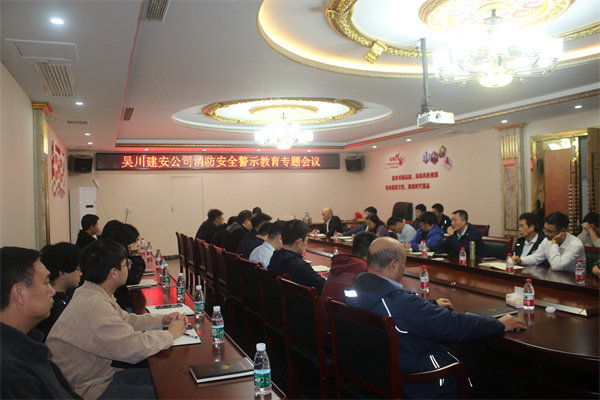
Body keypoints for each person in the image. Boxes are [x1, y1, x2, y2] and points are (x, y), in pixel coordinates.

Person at [345, 237, 526, 399]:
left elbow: (405, 310)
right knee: (473, 346)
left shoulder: (359, 289)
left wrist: (430, 305)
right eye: (403, 264)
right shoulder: (399, 301)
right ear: (393, 265)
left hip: (376, 372)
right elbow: (453, 325)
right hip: (416, 384)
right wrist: (498, 324)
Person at [46, 240, 187, 400]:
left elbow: (124, 320)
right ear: (113, 272)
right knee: (171, 393)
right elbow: (134, 348)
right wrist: (171, 334)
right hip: (87, 390)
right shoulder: (94, 305)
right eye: (126, 264)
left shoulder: (90, 291)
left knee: (167, 378)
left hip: (100, 376)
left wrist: (162, 320)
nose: (129, 267)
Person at [0, 246, 80, 399]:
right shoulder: (10, 374)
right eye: (46, 283)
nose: (52, 291)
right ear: (19, 293)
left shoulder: (29, 343)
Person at [37, 242, 82, 340]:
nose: (80, 274)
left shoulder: (70, 295)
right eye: (77, 269)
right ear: (62, 273)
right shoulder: (54, 306)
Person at [513, 211, 586, 271]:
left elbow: (557, 266)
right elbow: (536, 258)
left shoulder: (576, 244)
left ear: (562, 231)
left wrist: (554, 243)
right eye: (545, 229)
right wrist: (521, 260)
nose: (545, 234)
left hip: (573, 279)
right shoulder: (547, 240)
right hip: (554, 277)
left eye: (549, 231)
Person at [268, 219, 326, 293]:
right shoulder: (299, 265)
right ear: (299, 242)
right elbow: (324, 286)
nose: (306, 244)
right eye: (306, 240)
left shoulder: (275, 256)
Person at [320, 231, 376, 305]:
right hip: (342, 311)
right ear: (372, 251)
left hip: (324, 310)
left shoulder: (340, 262)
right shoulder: (365, 269)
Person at [112, 223, 146, 311]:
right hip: (119, 303)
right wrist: (135, 256)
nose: (136, 245)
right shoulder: (117, 257)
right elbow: (134, 279)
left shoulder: (118, 252)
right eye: (134, 242)